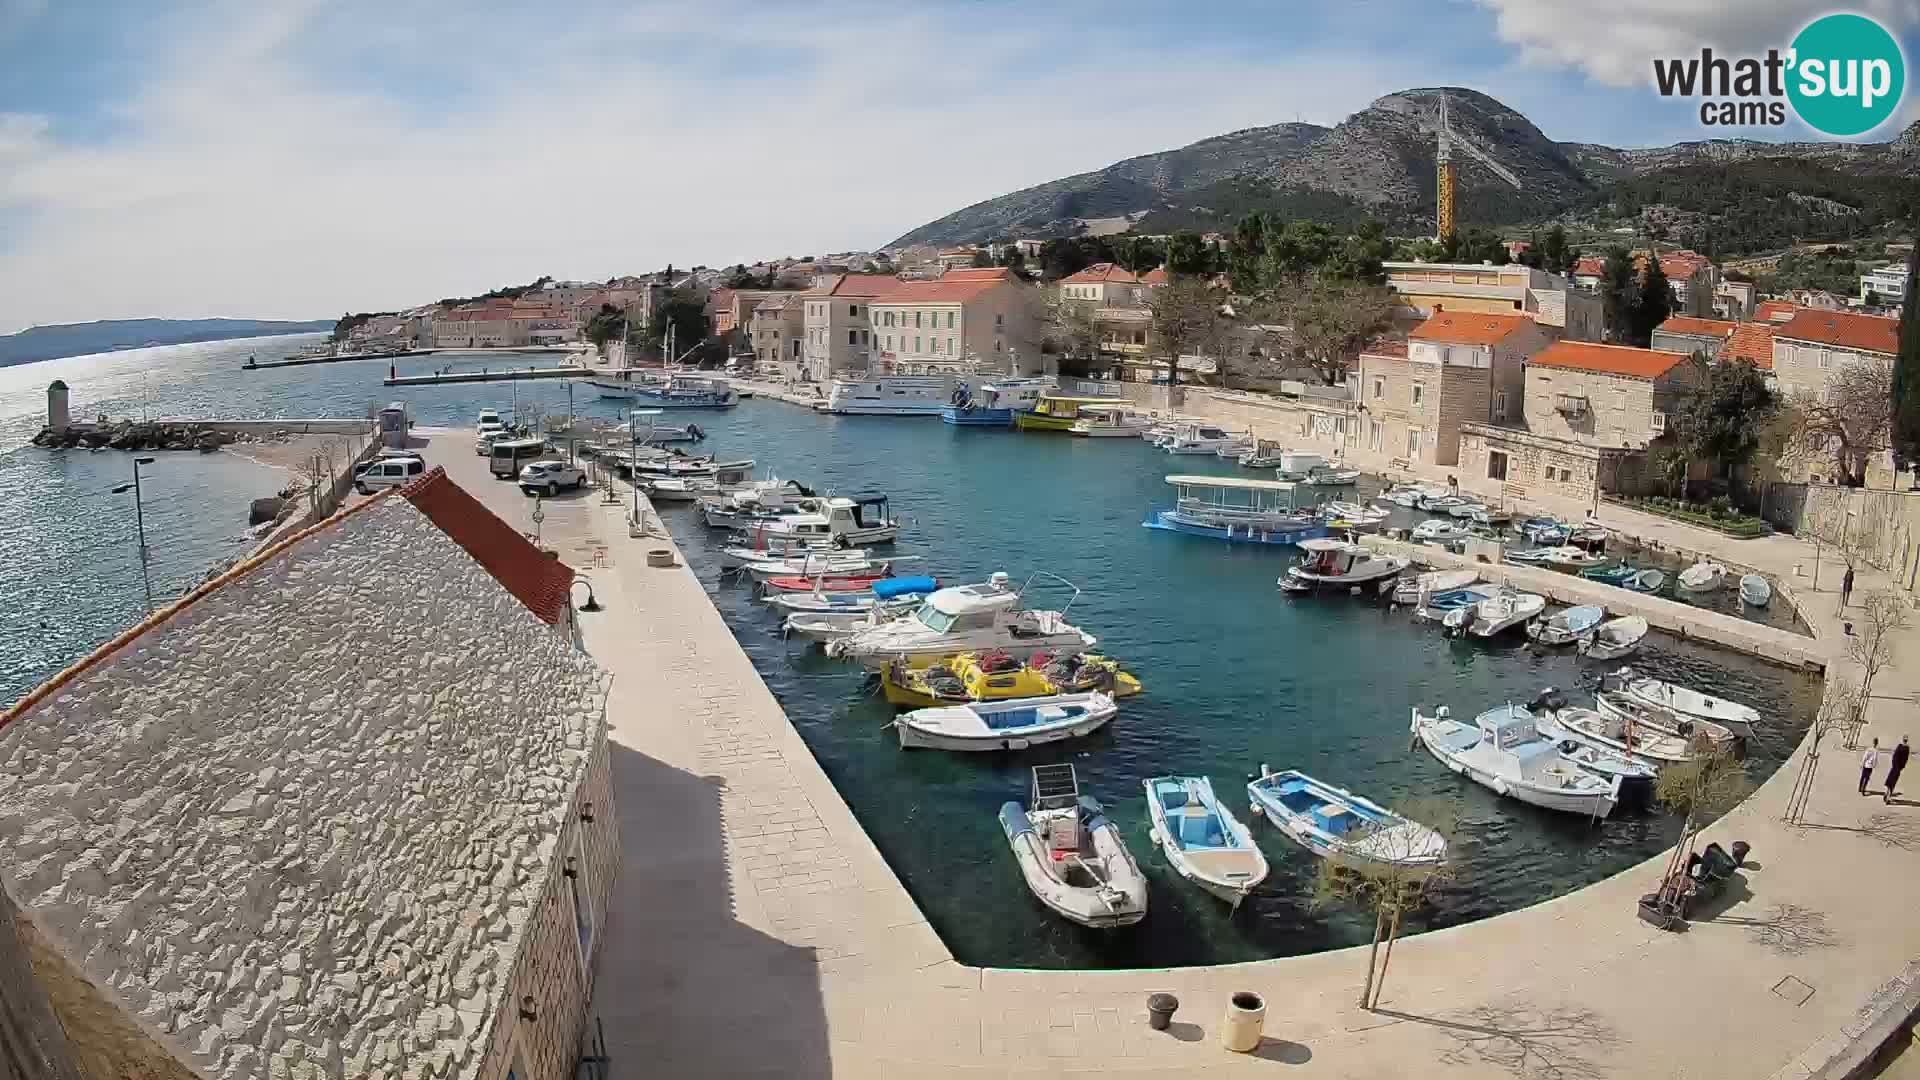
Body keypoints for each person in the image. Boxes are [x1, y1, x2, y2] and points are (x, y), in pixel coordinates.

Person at [1888, 737, 1912, 803]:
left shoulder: (1899, 746)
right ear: (1906, 741)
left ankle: (1886, 794)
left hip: (1894, 767)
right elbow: (1905, 760)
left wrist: (1893, 764)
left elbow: (1894, 756)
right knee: (1893, 782)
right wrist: (1902, 767)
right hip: (1898, 768)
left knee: (1890, 781)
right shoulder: (1907, 748)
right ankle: (1888, 797)